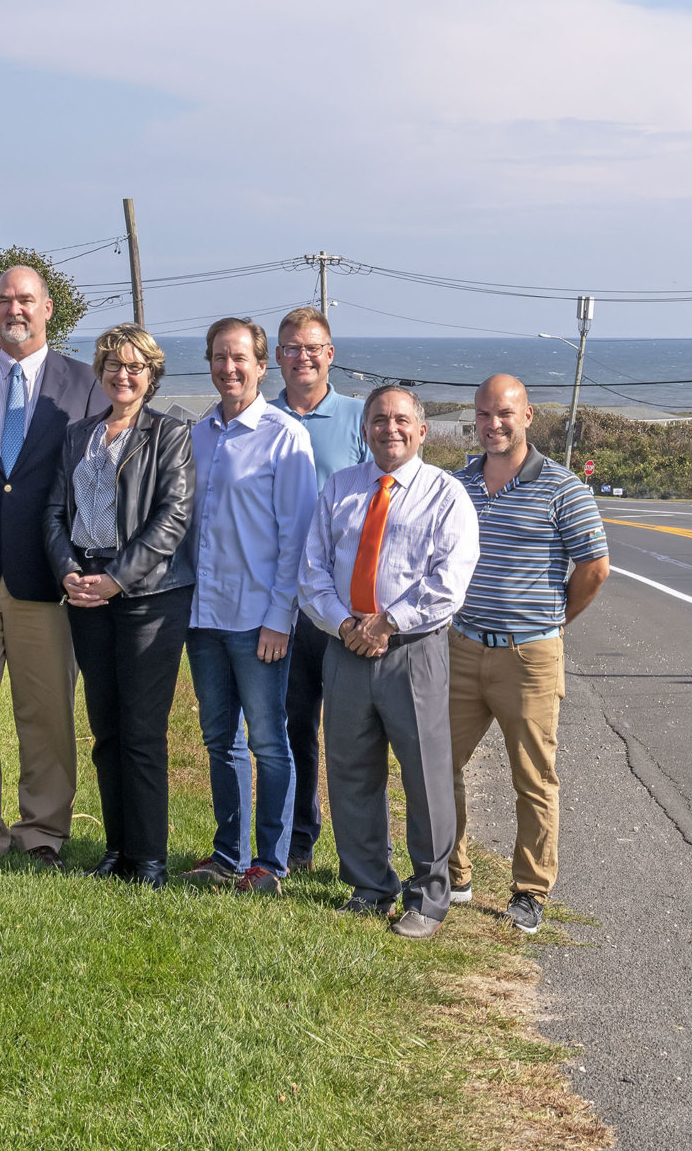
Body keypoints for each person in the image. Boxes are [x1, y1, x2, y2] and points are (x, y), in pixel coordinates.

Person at [300, 384, 478, 939]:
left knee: (424, 774)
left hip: (413, 652)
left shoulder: (446, 494)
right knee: (351, 771)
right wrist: (348, 625)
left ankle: (429, 893)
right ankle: (369, 884)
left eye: (402, 420)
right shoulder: (340, 488)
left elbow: (450, 580)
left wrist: (387, 622)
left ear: (422, 431)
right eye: (379, 419)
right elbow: (312, 571)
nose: (389, 429)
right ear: (365, 429)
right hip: (346, 648)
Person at [0, 265, 107, 867]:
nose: (14, 308)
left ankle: (43, 832)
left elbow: (96, 483)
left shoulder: (86, 383)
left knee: (46, 714)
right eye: (3, 299)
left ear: (48, 310)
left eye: (26, 300)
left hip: (49, 579)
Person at [448, 374, 610, 933]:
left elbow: (594, 568)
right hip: (462, 648)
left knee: (534, 778)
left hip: (529, 657)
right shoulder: (458, 484)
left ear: (528, 417)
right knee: (436, 763)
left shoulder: (564, 489)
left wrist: (554, 620)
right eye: (485, 414)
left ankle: (530, 890)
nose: (494, 424)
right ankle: (454, 873)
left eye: (505, 414)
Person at [43, 322, 194, 887]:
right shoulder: (79, 433)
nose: (123, 375)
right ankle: (116, 850)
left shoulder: (170, 436)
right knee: (105, 728)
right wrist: (69, 571)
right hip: (84, 592)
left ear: (151, 376)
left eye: (135, 367)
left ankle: (150, 857)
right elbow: (55, 513)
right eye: (113, 365)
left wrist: (116, 581)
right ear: (100, 372)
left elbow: (171, 520)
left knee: (142, 731)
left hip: (149, 598)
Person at [179, 318, 319, 894]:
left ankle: (272, 863)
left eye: (239, 358)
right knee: (220, 739)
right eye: (218, 357)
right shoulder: (196, 435)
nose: (228, 368)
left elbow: (298, 536)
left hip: (258, 621)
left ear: (262, 366)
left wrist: (279, 618)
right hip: (203, 616)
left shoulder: (286, 437)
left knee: (269, 742)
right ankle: (227, 856)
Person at [269, 305, 369, 873]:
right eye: (291, 347)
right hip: (284, 602)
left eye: (313, 348)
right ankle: (299, 839)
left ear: (330, 354)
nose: (302, 357)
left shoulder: (361, 417)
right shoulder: (262, 416)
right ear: (277, 357)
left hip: (344, 603)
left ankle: (363, 855)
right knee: (294, 725)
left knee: (354, 732)